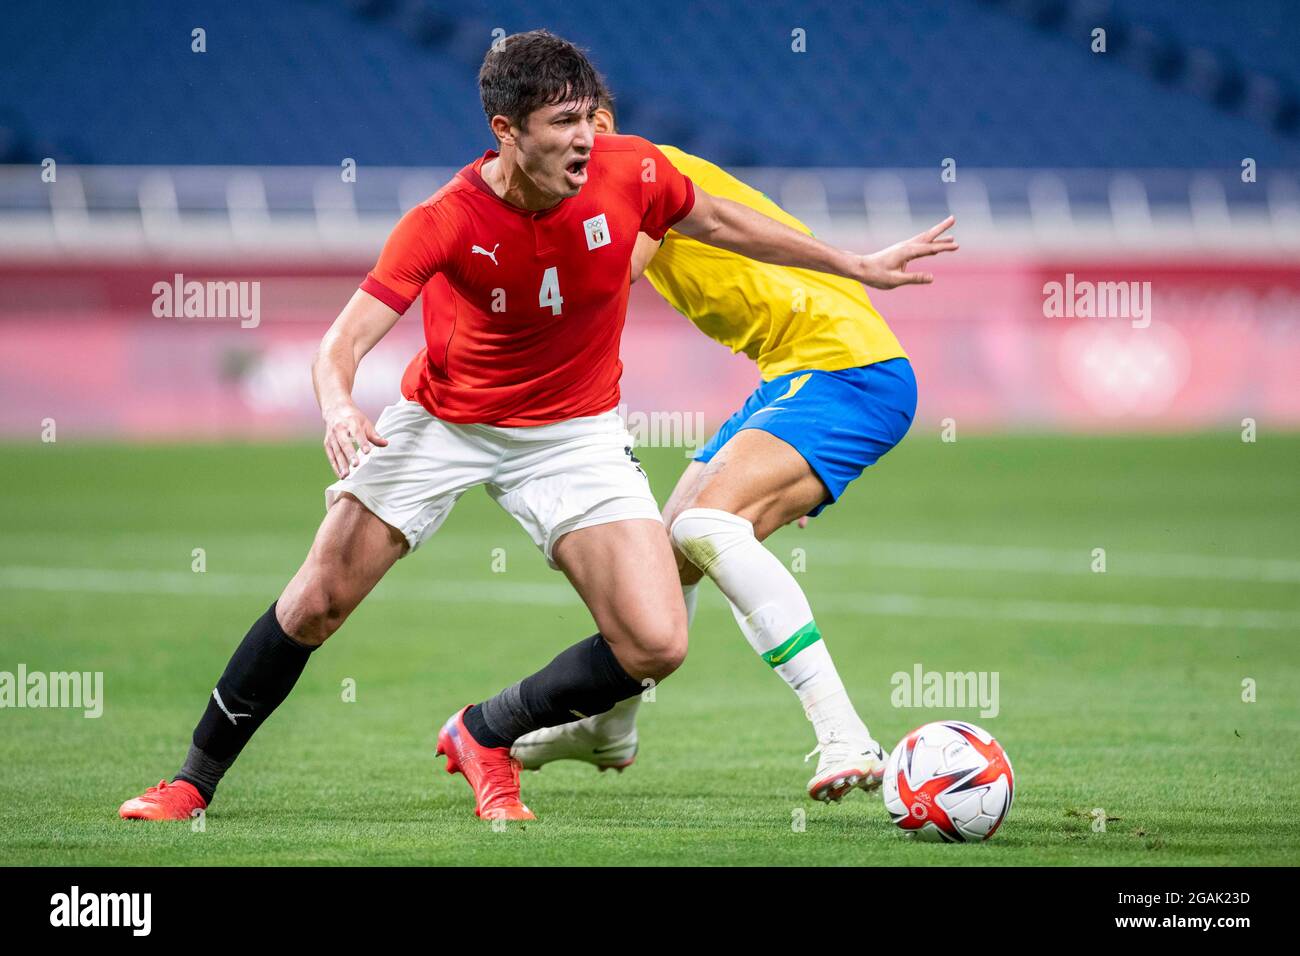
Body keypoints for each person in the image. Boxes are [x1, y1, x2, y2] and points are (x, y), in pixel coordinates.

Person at [119, 31, 953, 824]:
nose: (586, 141)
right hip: (446, 420)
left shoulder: (632, 173)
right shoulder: (442, 220)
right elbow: (339, 347)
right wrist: (339, 407)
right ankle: (191, 784)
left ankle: (488, 732)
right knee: (317, 601)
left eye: (591, 119)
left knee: (658, 640)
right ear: (506, 131)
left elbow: (728, 224)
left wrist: (854, 264)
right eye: (563, 124)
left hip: (573, 431)